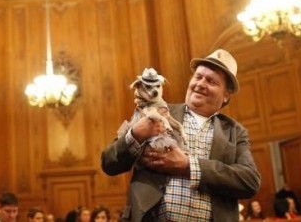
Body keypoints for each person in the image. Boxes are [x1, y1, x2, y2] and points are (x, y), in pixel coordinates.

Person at [101, 49, 261, 221]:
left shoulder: (235, 131)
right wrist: (137, 133)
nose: (200, 84)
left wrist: (189, 166)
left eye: (211, 81)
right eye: (198, 77)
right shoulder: (156, 111)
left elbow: (249, 181)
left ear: (226, 95)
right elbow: (109, 162)